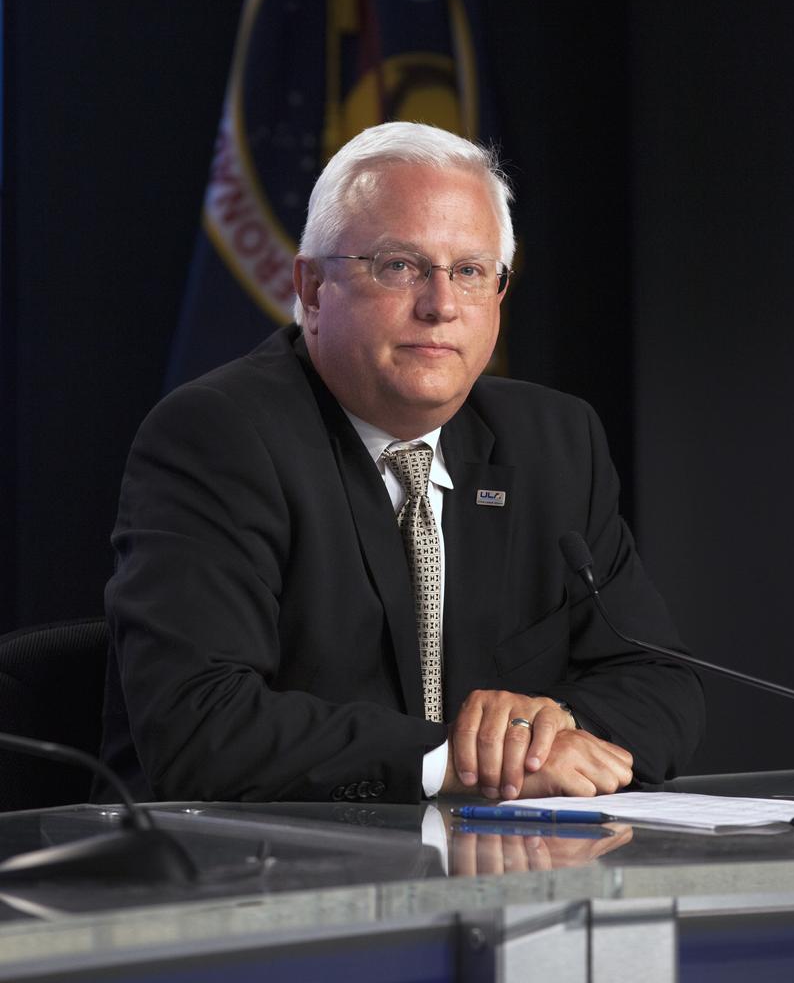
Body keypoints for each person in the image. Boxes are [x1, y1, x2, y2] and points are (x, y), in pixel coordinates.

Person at [101, 121, 704, 805]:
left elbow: (660, 686)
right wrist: (458, 762)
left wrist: (548, 730)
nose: (440, 305)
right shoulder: (219, 436)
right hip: (248, 877)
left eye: (470, 272)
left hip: (494, 877)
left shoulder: (553, 441)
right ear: (311, 289)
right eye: (399, 266)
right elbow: (199, 725)